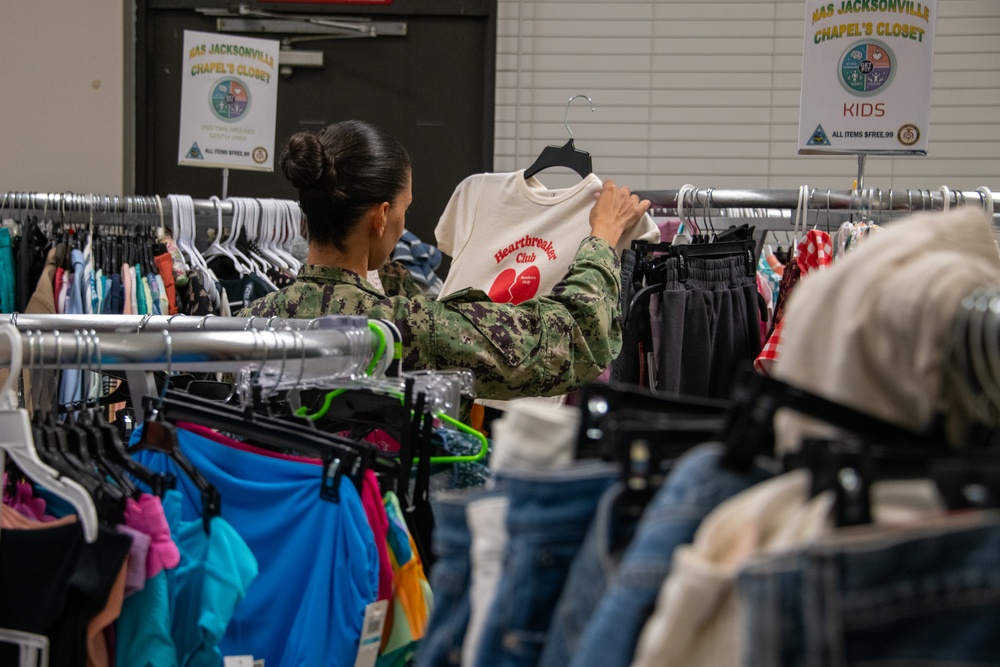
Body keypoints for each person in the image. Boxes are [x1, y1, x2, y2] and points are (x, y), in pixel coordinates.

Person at [240, 120, 650, 400]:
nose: (403, 226)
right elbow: (573, 342)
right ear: (382, 218)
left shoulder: (240, 328)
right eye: (403, 210)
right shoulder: (409, 331)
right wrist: (602, 237)